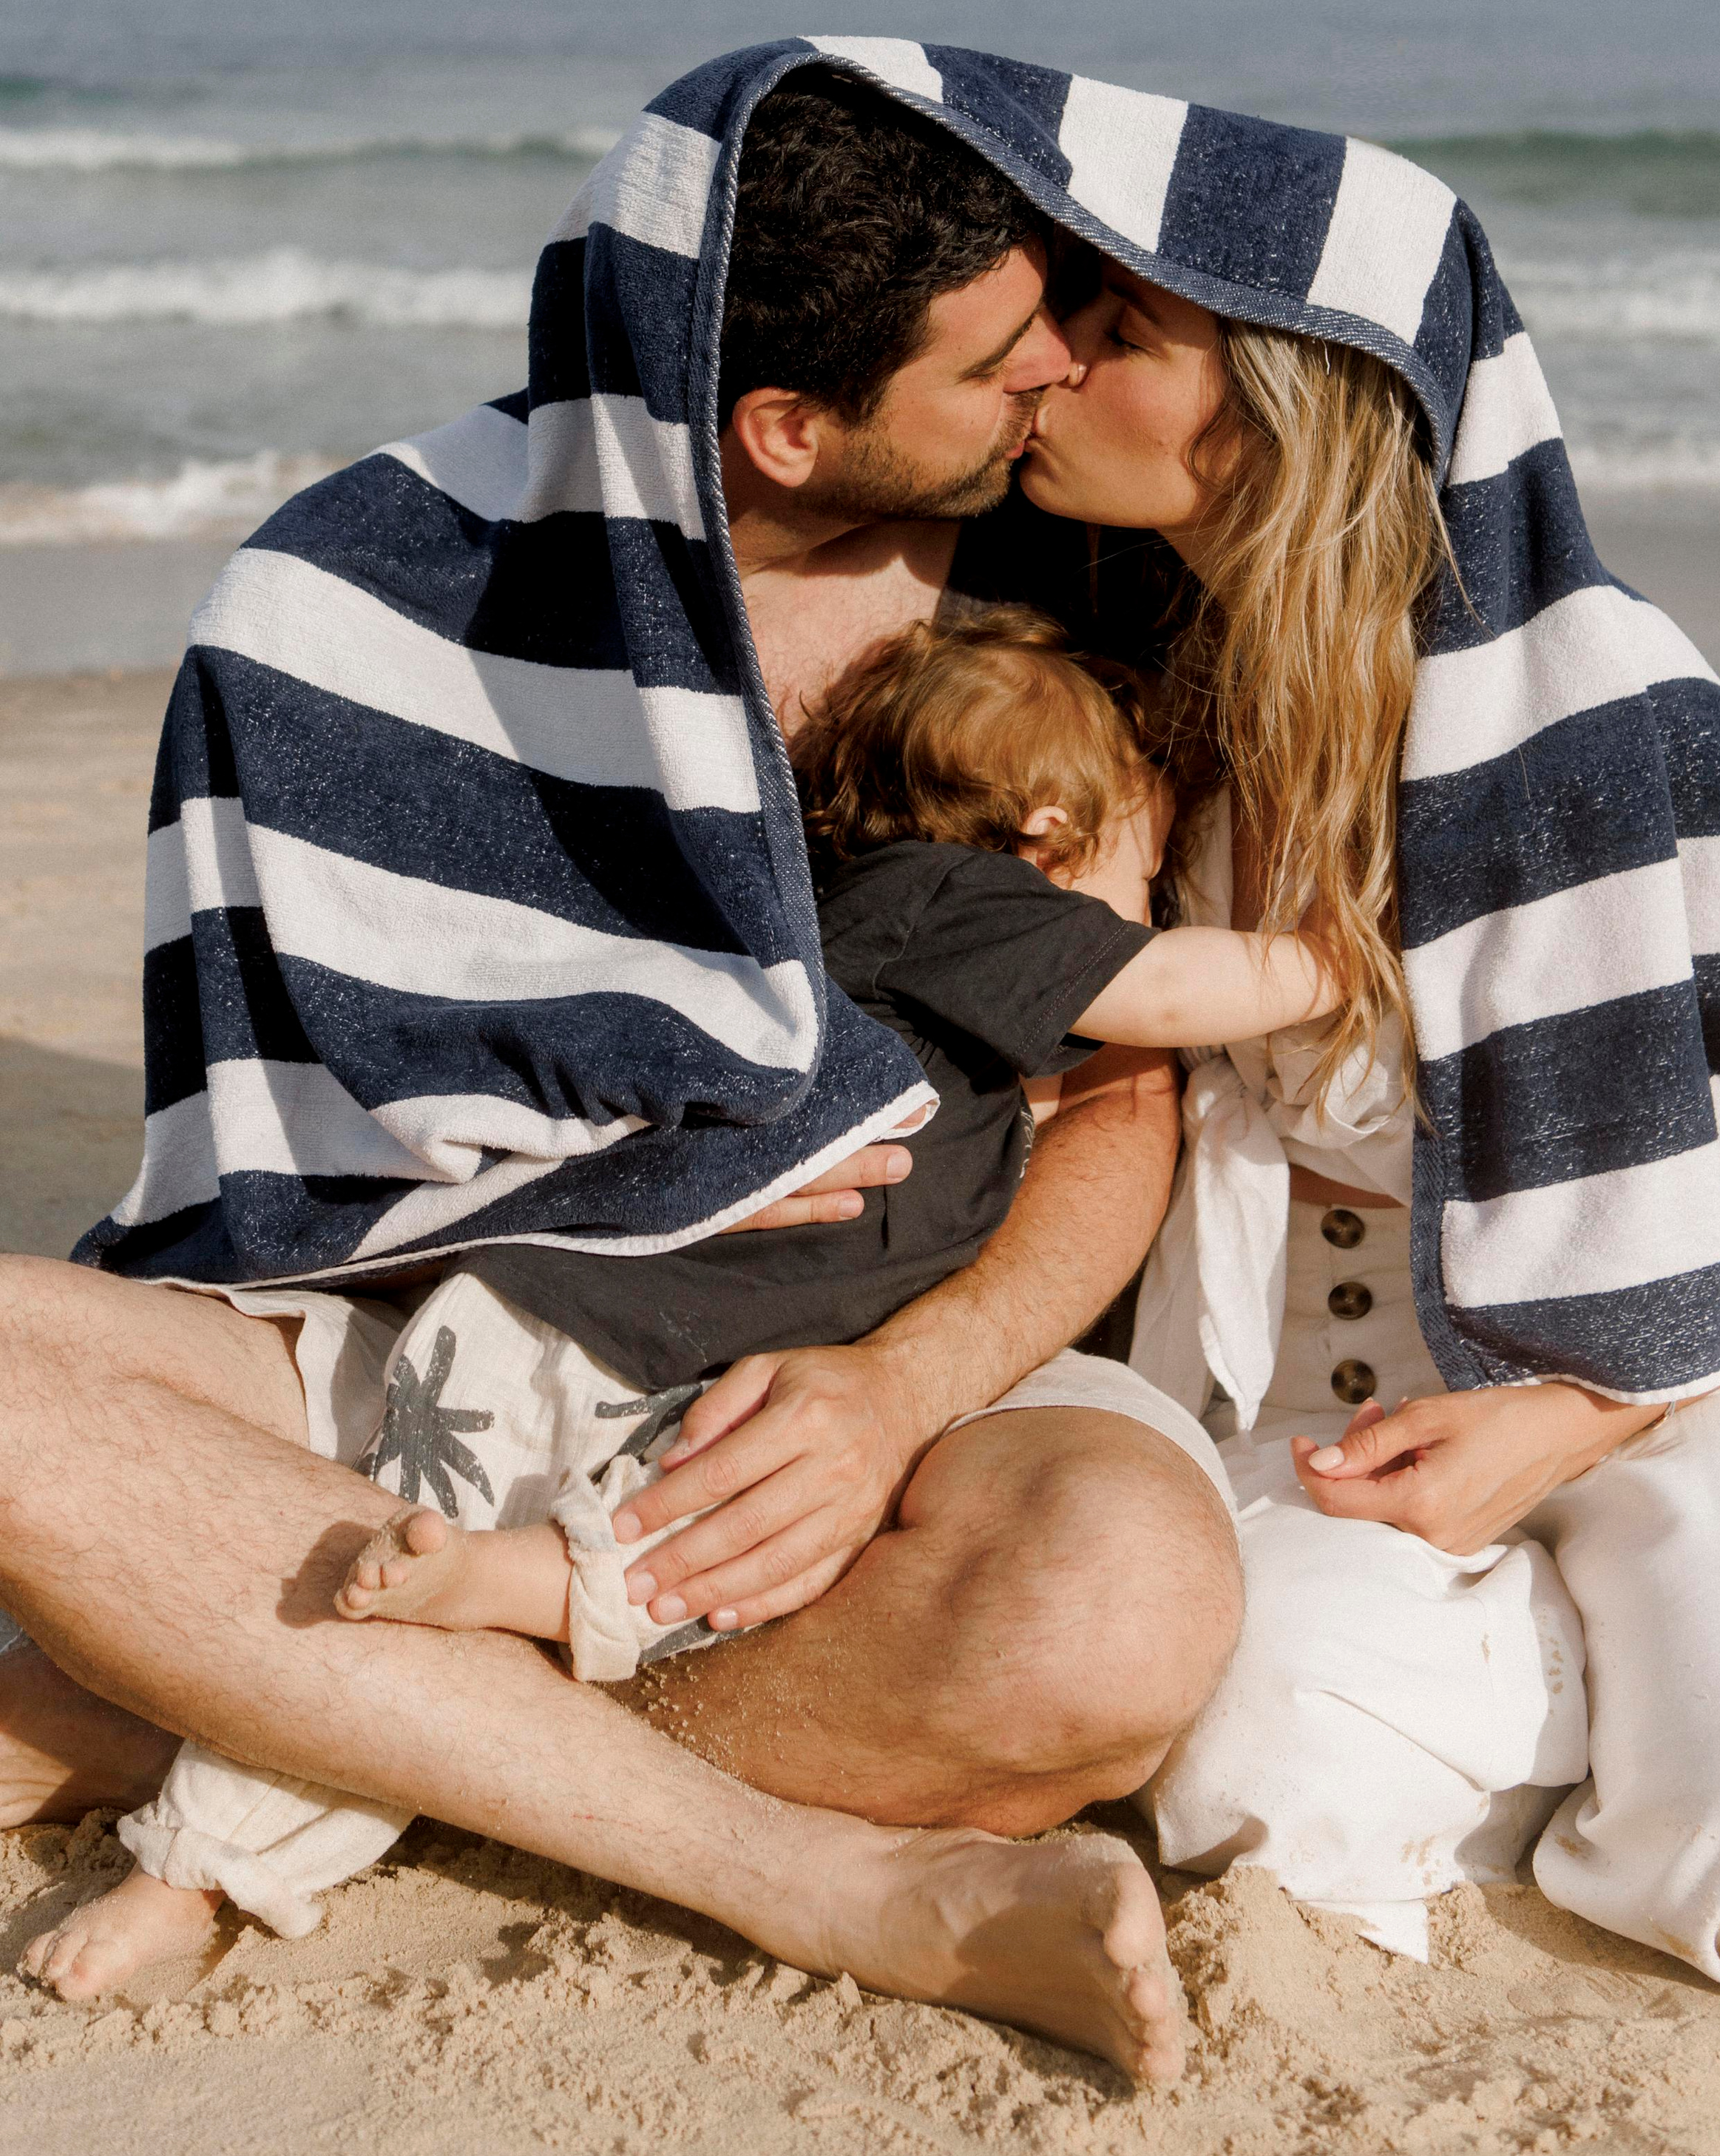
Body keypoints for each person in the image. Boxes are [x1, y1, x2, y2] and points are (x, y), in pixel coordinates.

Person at [3, 64, 1247, 2078]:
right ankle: (814, 1879)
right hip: (437, 1338)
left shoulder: (1073, 605)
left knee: (1103, 1628)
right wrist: (614, 1185)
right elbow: (293, 1146)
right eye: (998, 363)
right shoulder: (367, 604)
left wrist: (894, 1389)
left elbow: (1123, 1095)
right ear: (784, 423)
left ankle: (196, 1668)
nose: (1057, 380)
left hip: (886, 1360)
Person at [26, 606, 1338, 1977]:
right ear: (1050, 832)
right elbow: (1192, 988)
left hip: (633, 1340)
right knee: (414, 1592)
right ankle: (194, 1870)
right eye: (1145, 865)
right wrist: (1341, 952)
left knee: (531, 1554)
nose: (1146, 906)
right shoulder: (966, 905)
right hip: (601, 1343)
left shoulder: (845, 917)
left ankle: (428, 1666)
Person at [1018, 246, 1720, 2007]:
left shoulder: (1590, 700)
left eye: (1121, 335)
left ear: (1276, 416)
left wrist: (1566, 1415)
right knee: (1260, 1779)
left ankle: (1618, 1673)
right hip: (1310, 1415)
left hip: (1684, 1384)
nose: (1041, 359)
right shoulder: (1106, 706)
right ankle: (1581, 1683)